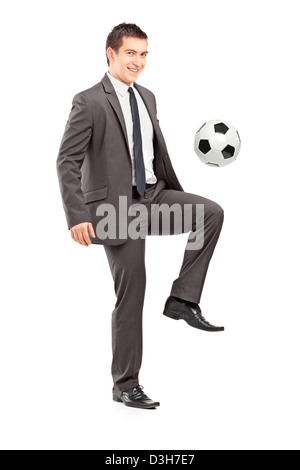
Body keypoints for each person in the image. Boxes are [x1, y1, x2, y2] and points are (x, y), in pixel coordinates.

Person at [56, 22, 225, 410]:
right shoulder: (88, 101)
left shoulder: (147, 96)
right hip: (116, 210)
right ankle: (125, 384)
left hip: (154, 197)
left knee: (209, 214)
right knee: (133, 292)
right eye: (131, 53)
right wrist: (77, 215)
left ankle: (182, 300)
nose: (139, 61)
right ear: (110, 54)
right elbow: (66, 160)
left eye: (144, 54)